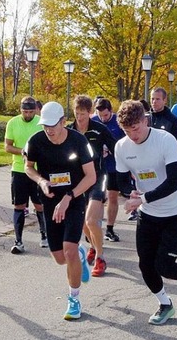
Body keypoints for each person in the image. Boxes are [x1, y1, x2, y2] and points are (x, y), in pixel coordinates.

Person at [114, 100, 177, 325]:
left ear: (145, 121)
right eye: (127, 131)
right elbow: (120, 179)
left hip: (175, 211)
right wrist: (129, 193)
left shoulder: (165, 140)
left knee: (164, 265)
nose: (133, 135)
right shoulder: (122, 147)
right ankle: (164, 304)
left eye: (136, 129)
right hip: (147, 213)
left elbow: (173, 181)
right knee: (145, 264)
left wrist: (142, 199)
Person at [25, 101, 96, 320]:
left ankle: (74, 299)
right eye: (45, 125)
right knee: (59, 258)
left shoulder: (79, 141)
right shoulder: (36, 141)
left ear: (63, 122)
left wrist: (69, 196)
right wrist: (41, 182)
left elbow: (91, 177)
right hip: (49, 201)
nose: (49, 130)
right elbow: (28, 167)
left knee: (69, 249)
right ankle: (80, 255)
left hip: (73, 200)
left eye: (52, 125)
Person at [68, 95, 117, 277]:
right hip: (76, 181)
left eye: (82, 114)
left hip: (97, 178)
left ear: (89, 113)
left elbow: (116, 148)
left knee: (91, 220)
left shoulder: (99, 130)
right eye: (76, 113)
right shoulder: (69, 131)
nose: (79, 117)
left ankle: (100, 257)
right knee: (82, 222)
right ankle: (92, 246)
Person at [4, 96, 47, 253]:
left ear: (35, 110)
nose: (27, 115)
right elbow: (7, 146)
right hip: (18, 170)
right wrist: (22, 151)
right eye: (24, 111)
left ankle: (44, 235)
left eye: (30, 111)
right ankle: (18, 240)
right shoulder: (13, 123)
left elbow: (47, 144)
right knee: (19, 205)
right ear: (20, 110)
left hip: (37, 171)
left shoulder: (41, 122)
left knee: (39, 205)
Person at [92, 98, 126, 239]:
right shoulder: (93, 121)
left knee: (112, 196)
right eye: (100, 115)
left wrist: (112, 149)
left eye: (106, 115)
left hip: (114, 165)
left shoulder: (118, 122)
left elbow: (126, 141)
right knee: (98, 198)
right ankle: (96, 228)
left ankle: (110, 228)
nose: (103, 118)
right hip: (97, 166)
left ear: (111, 111)